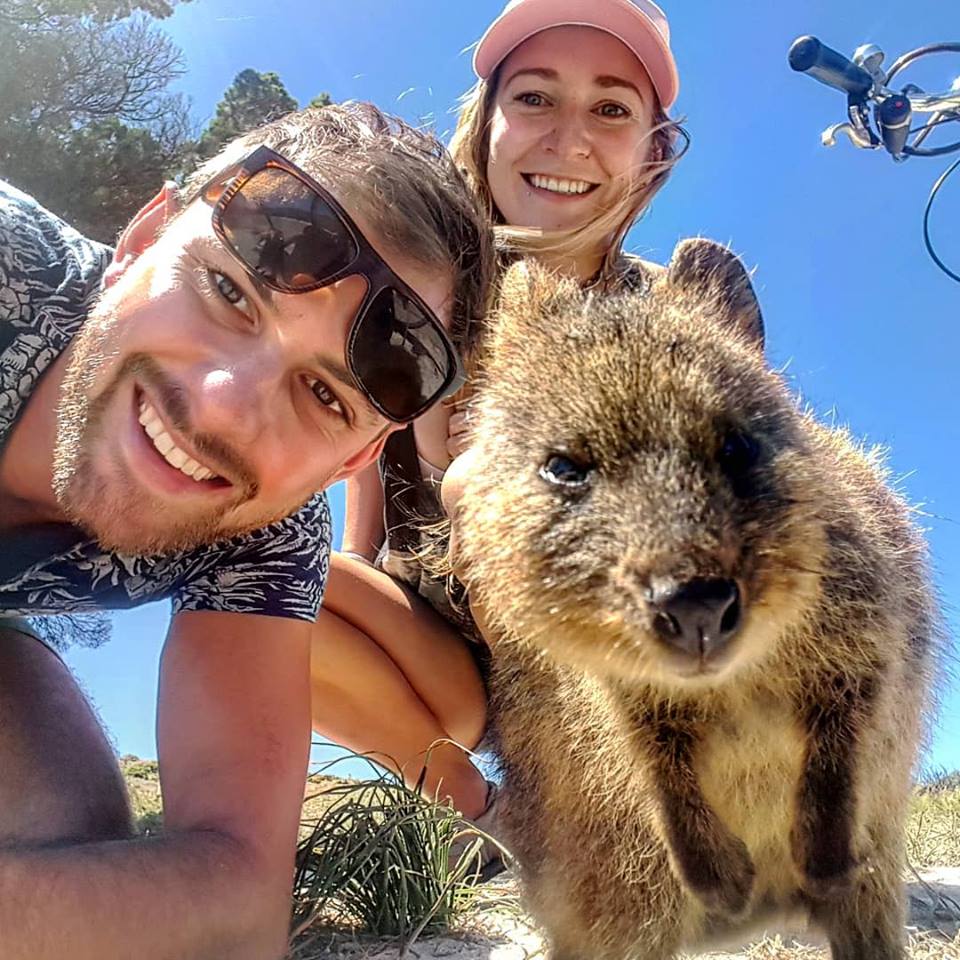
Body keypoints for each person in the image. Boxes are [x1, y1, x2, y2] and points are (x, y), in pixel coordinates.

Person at [0, 101, 492, 960]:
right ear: (141, 239)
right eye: (228, 291)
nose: (223, 407)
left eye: (325, 395)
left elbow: (237, 896)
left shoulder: (268, 534)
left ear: (353, 460)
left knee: (67, 827)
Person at [308, 0, 686, 850]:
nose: (568, 139)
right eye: (536, 98)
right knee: (266, 570)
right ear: (487, 123)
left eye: (611, 108)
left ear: (654, 151)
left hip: (614, 671)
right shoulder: (409, 295)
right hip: (447, 664)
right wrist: (353, 586)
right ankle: (491, 816)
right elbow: (367, 495)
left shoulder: (679, 309)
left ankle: (637, 803)